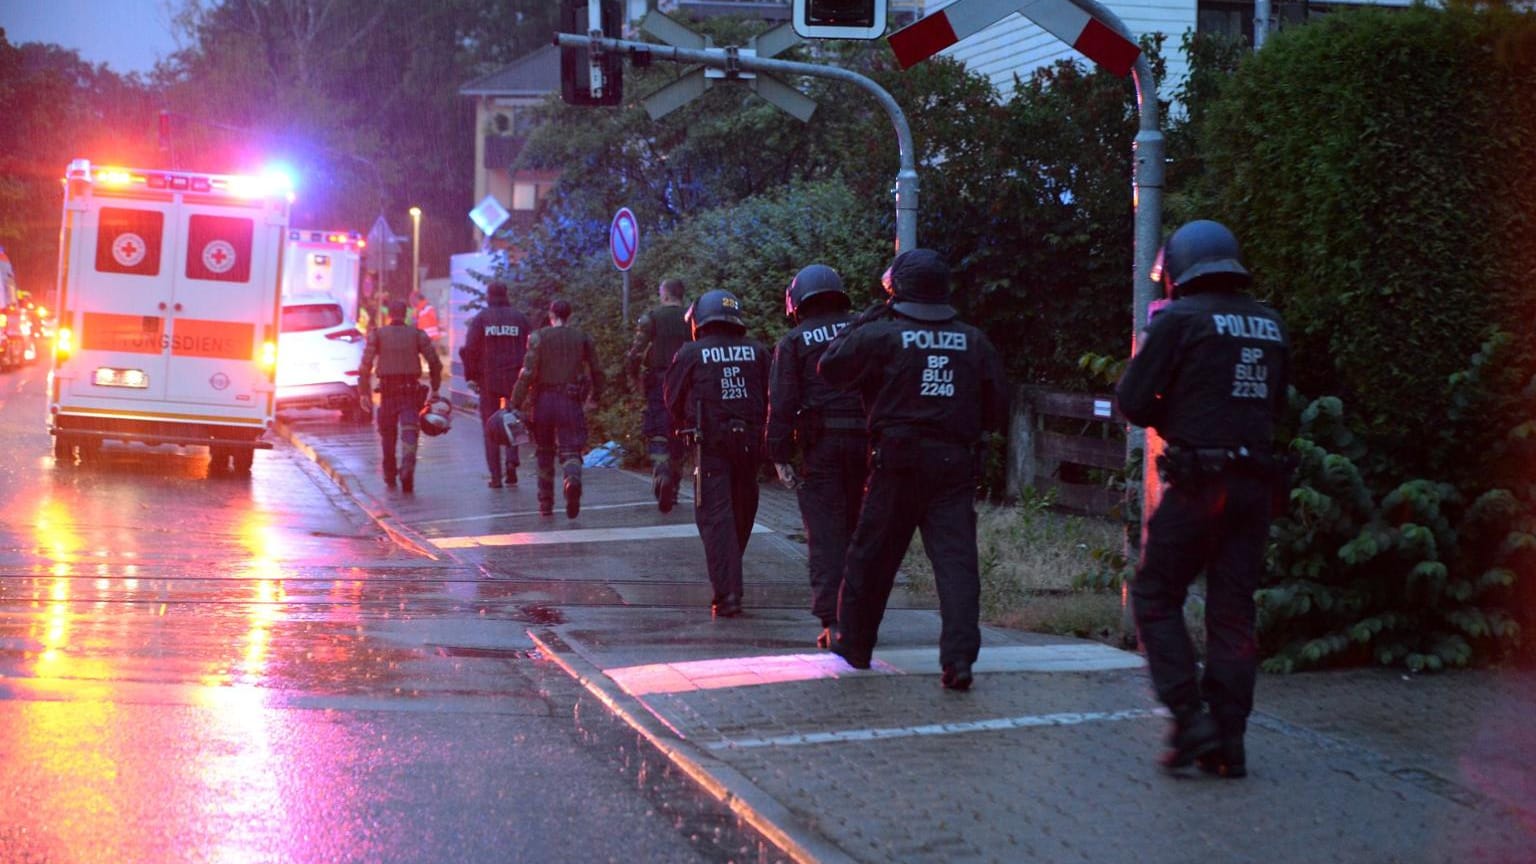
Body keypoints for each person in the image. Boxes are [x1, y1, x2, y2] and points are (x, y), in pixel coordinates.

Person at [1116, 219, 1290, 778]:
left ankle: (1190, 717)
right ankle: (1230, 740)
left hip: (1199, 484)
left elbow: (1134, 402)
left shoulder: (1182, 320)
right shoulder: (1270, 323)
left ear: (1178, 272)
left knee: (1156, 593)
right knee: (1234, 610)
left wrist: (1178, 411)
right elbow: (1278, 407)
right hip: (1255, 486)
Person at [818, 249, 1007, 691]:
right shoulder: (974, 340)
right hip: (954, 465)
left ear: (895, 291)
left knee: (871, 557)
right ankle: (959, 659)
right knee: (956, 564)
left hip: (896, 463)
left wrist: (863, 319)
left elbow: (830, 367)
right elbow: (998, 406)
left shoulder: (882, 335)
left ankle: (856, 646)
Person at [765, 264, 868, 648]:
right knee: (862, 533)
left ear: (797, 302)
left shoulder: (793, 342)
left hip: (820, 449)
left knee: (826, 536)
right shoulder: (863, 328)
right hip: (867, 445)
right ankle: (863, 616)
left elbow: (782, 403)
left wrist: (778, 454)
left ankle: (834, 623)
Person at [665, 289, 769, 619]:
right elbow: (773, 393)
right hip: (751, 446)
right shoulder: (758, 351)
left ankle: (727, 595)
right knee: (742, 511)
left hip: (710, 447)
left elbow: (672, 397)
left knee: (715, 518)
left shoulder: (691, 353)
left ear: (699, 320)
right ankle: (731, 578)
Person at [511, 299, 604, 518]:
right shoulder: (582, 338)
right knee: (571, 448)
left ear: (551, 315)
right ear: (569, 315)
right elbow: (597, 371)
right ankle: (571, 478)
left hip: (543, 401)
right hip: (571, 400)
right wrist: (595, 397)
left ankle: (546, 503)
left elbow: (527, 374)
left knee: (544, 451)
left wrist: (515, 403)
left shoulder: (538, 337)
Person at [358, 298, 443, 494]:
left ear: (389, 315)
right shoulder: (416, 334)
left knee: (387, 435)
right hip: (410, 392)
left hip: (388, 393)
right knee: (410, 432)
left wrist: (363, 392)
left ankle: (389, 473)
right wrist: (436, 388)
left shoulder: (377, 335)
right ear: (405, 314)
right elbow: (434, 362)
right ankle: (407, 468)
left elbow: (365, 366)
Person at [625, 278, 692, 512]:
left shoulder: (651, 318)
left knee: (658, 431)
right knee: (681, 431)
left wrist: (634, 378)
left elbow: (635, 353)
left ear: (664, 294)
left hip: (659, 380)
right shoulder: (691, 317)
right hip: (687, 381)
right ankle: (673, 488)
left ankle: (661, 472)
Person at [461, 281, 531, 488]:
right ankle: (511, 463)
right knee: (514, 420)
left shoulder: (482, 319)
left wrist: (471, 377)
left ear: (488, 296)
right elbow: (531, 347)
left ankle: (496, 476)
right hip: (514, 380)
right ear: (506, 294)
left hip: (489, 380)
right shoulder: (519, 318)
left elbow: (470, 350)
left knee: (490, 426)